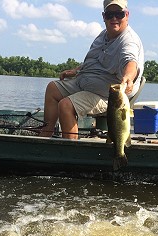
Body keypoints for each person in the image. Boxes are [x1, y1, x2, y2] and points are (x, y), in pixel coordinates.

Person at [40, 0, 144, 139]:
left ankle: (71, 150)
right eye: (110, 14)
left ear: (127, 15)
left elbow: (131, 62)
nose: (114, 18)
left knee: (66, 105)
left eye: (119, 14)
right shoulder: (103, 35)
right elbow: (94, 61)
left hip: (108, 96)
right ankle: (45, 135)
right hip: (85, 82)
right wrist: (76, 70)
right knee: (52, 88)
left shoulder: (128, 40)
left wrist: (128, 79)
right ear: (103, 16)